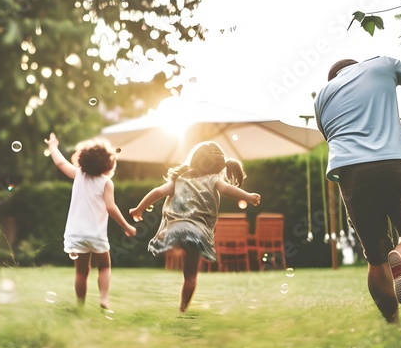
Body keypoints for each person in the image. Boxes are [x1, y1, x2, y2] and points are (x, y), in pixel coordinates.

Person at [313, 41, 401, 323]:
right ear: (356, 67)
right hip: (393, 161)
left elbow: (329, 135)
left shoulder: (321, 97)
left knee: (376, 259)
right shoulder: (380, 64)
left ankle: (392, 324)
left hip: (351, 172)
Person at [130, 142, 261, 313]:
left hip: (177, 226)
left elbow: (157, 192)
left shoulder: (180, 180)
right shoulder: (215, 179)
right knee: (190, 276)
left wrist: (139, 209)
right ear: (220, 165)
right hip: (197, 233)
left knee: (174, 233)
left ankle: (168, 240)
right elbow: (229, 189)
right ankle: (182, 309)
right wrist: (248, 197)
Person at [45, 133, 137, 309]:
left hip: (76, 234)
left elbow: (60, 162)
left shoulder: (79, 175)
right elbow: (111, 208)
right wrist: (127, 226)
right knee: (104, 266)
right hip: (96, 234)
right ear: (107, 165)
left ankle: (80, 304)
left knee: (81, 271)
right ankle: (103, 298)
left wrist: (53, 146)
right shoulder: (106, 183)